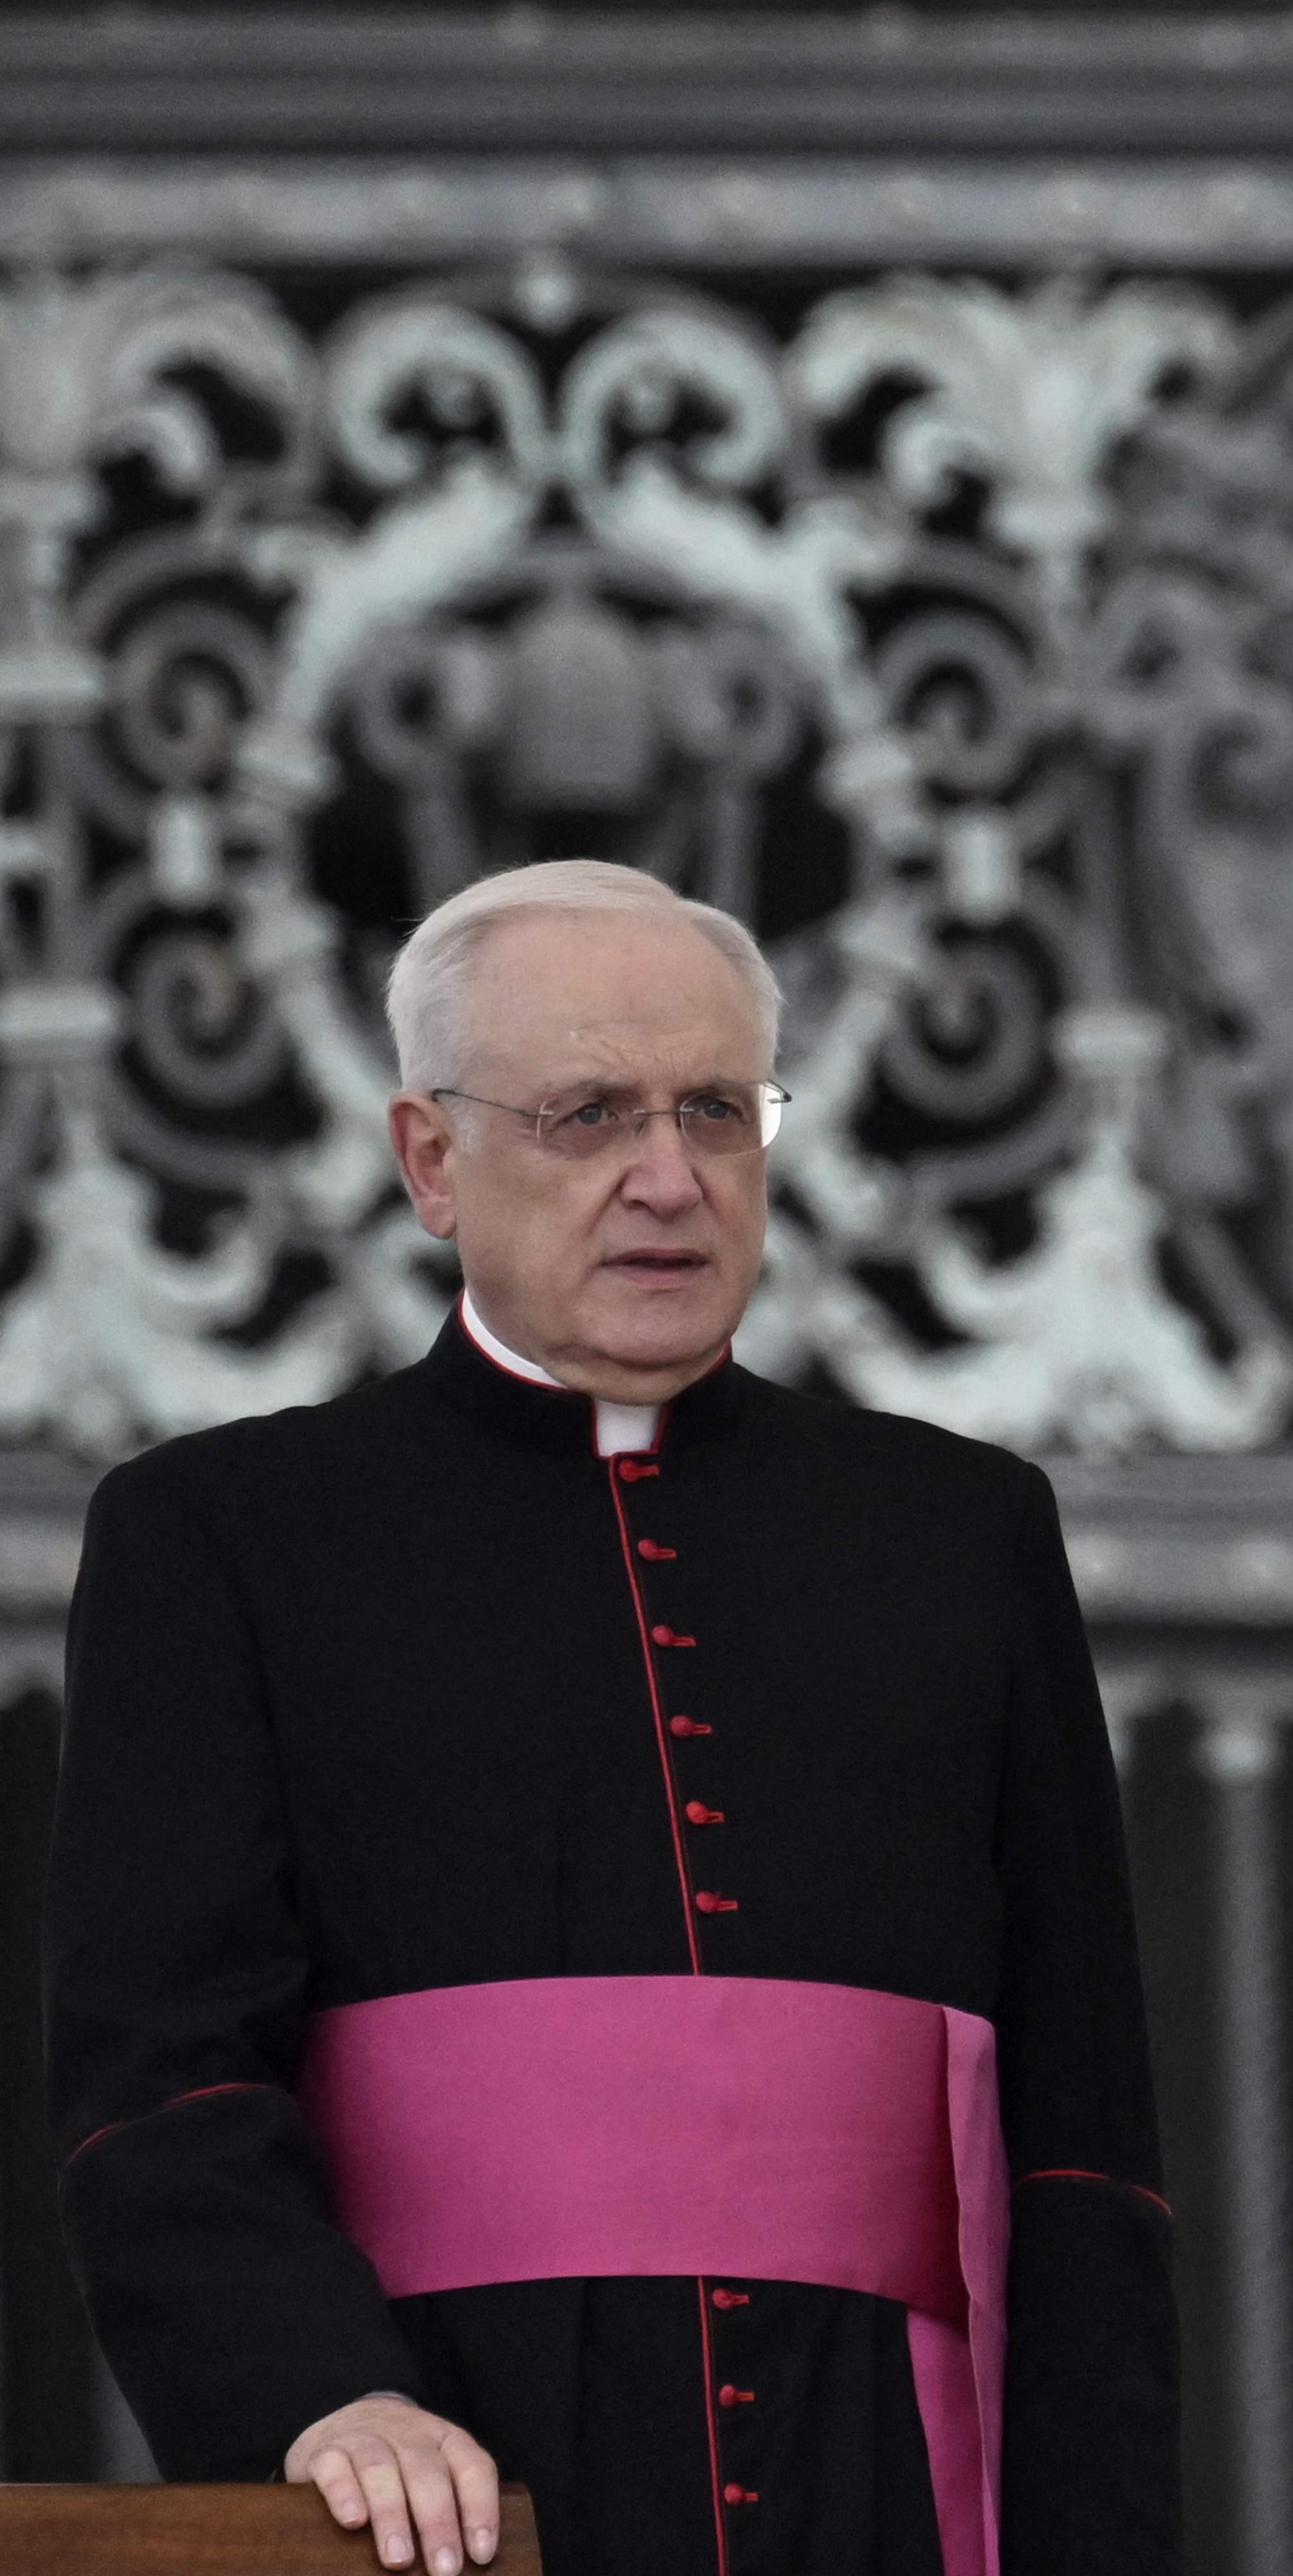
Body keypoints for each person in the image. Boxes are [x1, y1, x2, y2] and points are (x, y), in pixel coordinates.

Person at [49, 861, 1176, 2576]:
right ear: (431, 1157)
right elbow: (161, 2078)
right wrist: (319, 2399)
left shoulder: (962, 1532)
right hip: (443, 2475)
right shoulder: (225, 1537)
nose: (671, 1180)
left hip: (888, 2474)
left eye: (717, 1112)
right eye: (589, 1115)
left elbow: (1086, 2142)